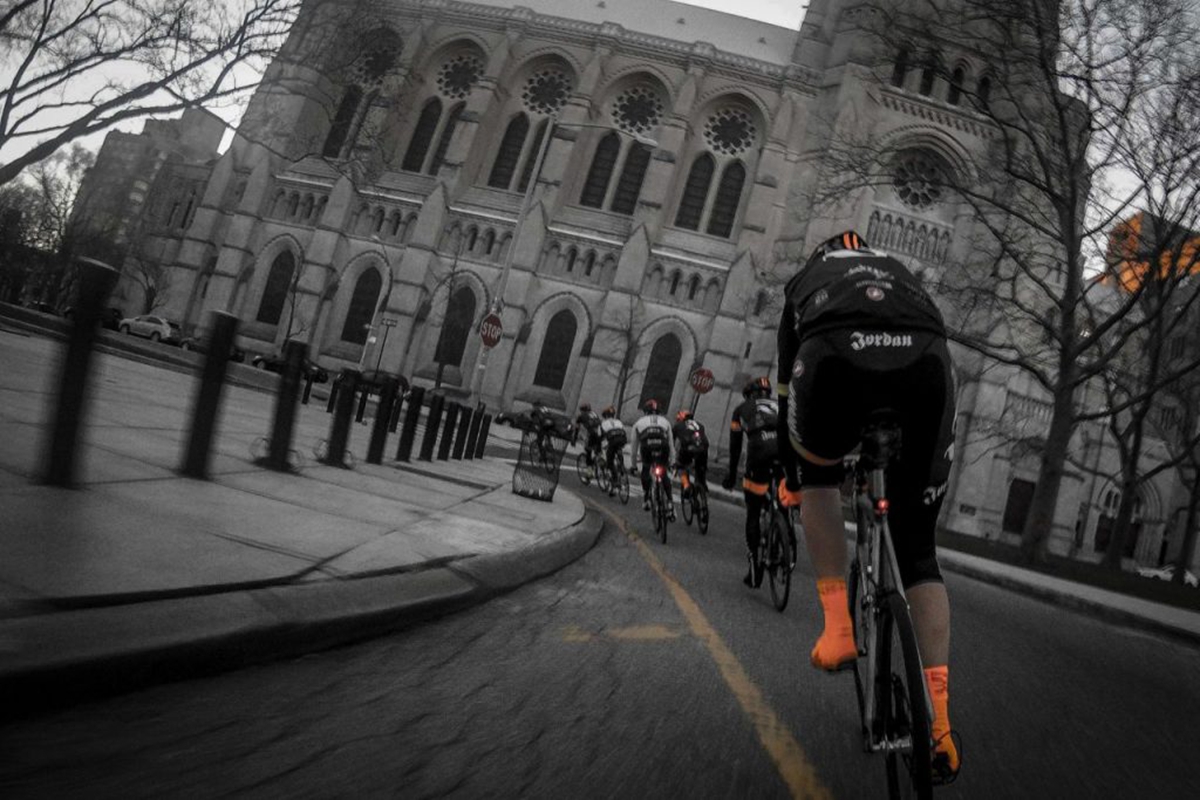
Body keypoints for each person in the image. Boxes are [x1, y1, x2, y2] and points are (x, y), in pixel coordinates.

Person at [776, 230, 959, 779]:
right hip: (927, 359)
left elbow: (787, 386)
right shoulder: (900, 273)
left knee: (819, 481)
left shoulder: (808, 280)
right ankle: (942, 728)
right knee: (920, 553)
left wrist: (797, 473)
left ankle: (837, 629)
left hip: (833, 355)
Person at [722, 377, 792, 587]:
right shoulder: (781, 404)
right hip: (787, 452)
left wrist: (732, 474)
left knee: (753, 511)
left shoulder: (741, 409)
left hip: (759, 454)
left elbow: (735, 447)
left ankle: (754, 571)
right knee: (783, 495)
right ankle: (784, 539)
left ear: (750, 394)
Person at [631, 399, 675, 518]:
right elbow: (671, 445)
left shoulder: (639, 422)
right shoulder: (665, 422)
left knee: (646, 469)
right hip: (663, 446)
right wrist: (672, 462)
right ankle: (670, 502)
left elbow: (634, 449)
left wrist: (633, 466)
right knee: (663, 472)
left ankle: (647, 498)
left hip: (647, 446)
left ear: (645, 411)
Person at [672, 409, 709, 497]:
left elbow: (670, 442)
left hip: (688, 448)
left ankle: (686, 486)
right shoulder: (700, 425)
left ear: (682, 417)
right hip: (703, 448)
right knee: (700, 467)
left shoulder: (678, 426)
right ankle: (701, 484)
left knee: (680, 466)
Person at [598, 406, 628, 495]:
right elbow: (623, 431)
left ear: (605, 416)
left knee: (610, 461)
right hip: (622, 439)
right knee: (618, 449)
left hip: (612, 441)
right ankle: (621, 467)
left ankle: (615, 481)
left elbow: (600, 437)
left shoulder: (603, 424)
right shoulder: (619, 421)